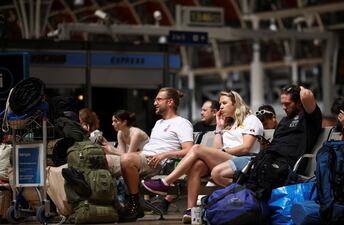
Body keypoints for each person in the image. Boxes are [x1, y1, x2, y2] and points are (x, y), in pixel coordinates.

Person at [142, 90, 264, 223]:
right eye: (220, 103)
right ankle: (191, 210)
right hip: (229, 159)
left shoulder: (250, 119)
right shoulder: (228, 123)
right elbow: (217, 148)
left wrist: (224, 152)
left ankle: (166, 182)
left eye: (224, 103)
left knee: (196, 148)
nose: (221, 106)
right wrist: (218, 128)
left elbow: (245, 147)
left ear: (236, 104)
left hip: (246, 160)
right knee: (197, 166)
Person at [118, 87, 193, 221]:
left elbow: (189, 150)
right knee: (103, 160)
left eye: (158, 99)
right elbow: (150, 148)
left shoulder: (182, 123)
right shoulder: (159, 123)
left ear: (170, 102)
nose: (154, 103)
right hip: (145, 157)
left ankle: (134, 205)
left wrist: (165, 154)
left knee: (126, 159)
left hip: (160, 163)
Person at [245, 84, 322, 199]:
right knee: (249, 173)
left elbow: (307, 95)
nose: (283, 107)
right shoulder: (284, 121)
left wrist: (298, 88)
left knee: (261, 183)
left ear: (299, 103)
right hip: (270, 160)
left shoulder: (308, 118)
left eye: (287, 104)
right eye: (282, 104)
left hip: (288, 165)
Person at [99, 110, 149, 177]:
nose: (112, 124)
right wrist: (107, 144)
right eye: (113, 121)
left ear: (124, 122)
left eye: (116, 121)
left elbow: (129, 156)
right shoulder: (120, 133)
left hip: (146, 159)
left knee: (110, 160)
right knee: (105, 158)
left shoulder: (136, 133)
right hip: (133, 157)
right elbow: (121, 153)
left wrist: (111, 151)